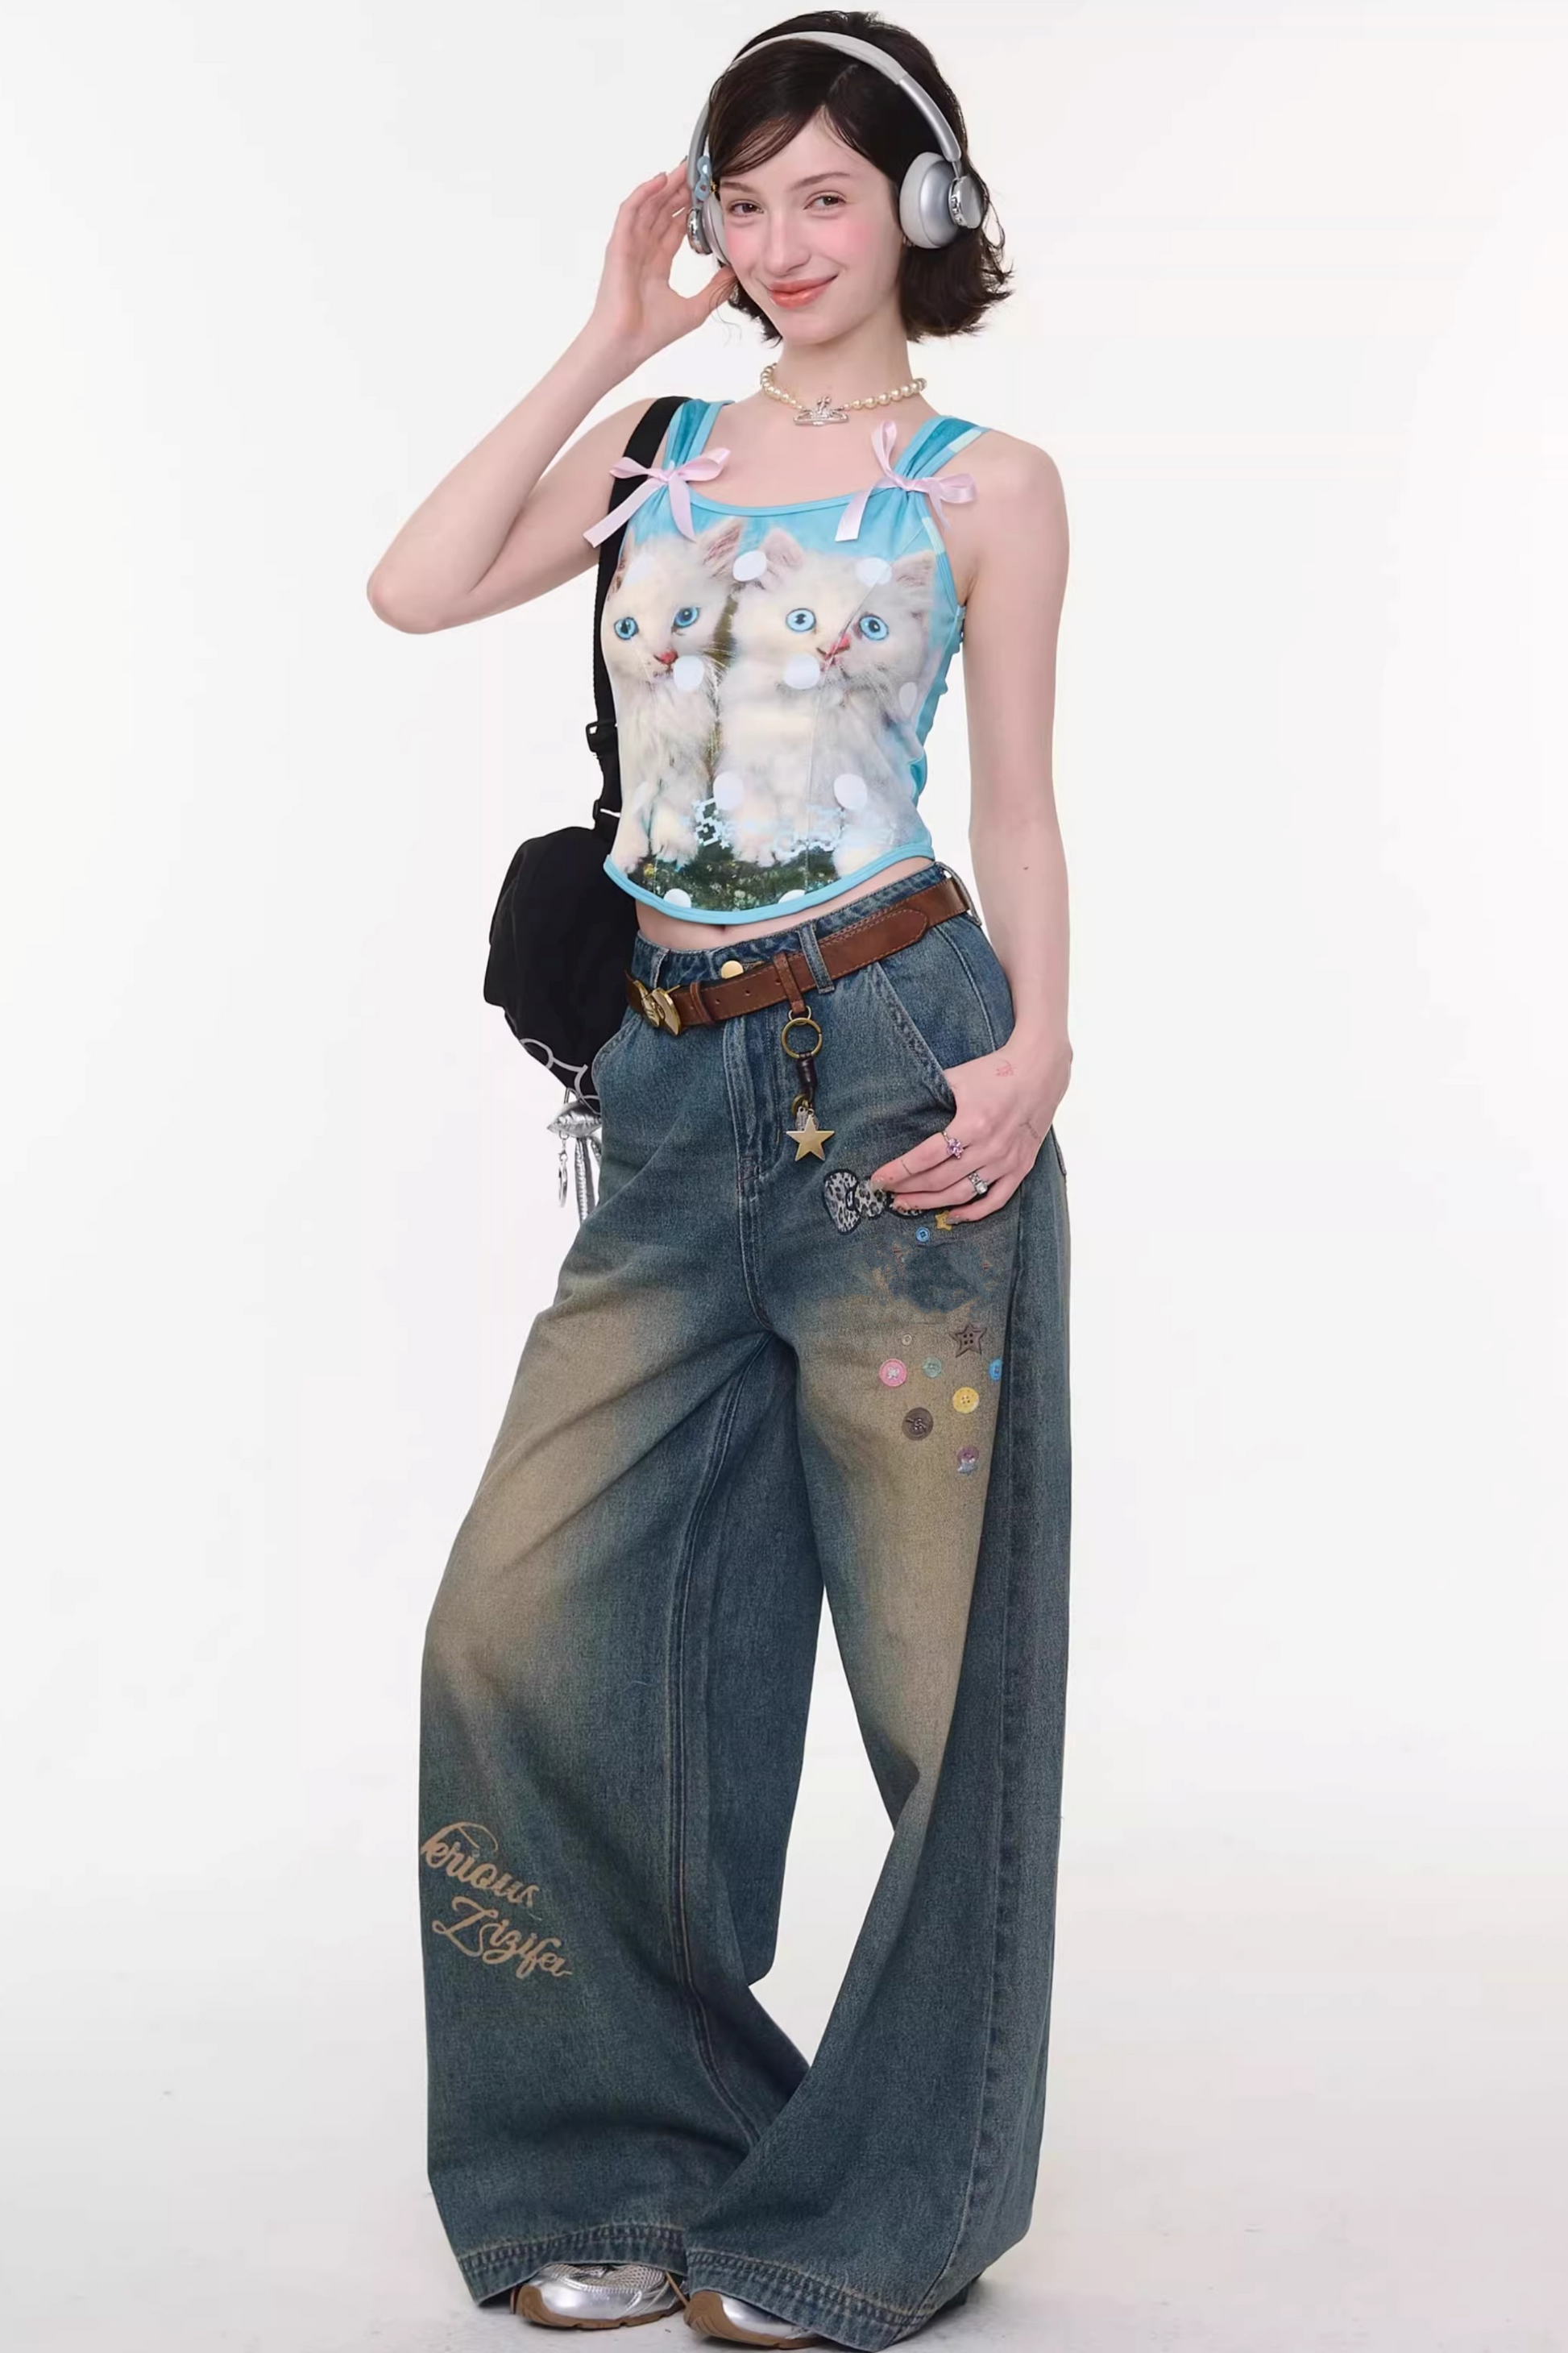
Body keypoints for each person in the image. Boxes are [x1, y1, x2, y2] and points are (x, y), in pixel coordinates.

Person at [367, 14, 1072, 2348]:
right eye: (742, 199)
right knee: (517, 1623)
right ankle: (616, 2149)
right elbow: (415, 585)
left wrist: (1039, 1050)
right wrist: (610, 333)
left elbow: (1019, 800)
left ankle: (893, 2208)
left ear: (923, 211)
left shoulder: (987, 485)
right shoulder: (661, 448)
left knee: (939, 1687)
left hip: (899, 1069)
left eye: (824, 196)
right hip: (669, 1095)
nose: (778, 243)